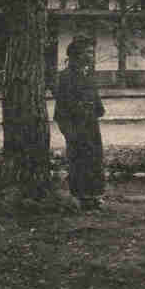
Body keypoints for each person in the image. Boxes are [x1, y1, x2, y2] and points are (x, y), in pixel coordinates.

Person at [53, 37, 106, 209]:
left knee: (95, 159)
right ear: (77, 55)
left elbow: (96, 102)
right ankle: (80, 197)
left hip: (91, 124)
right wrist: (69, 132)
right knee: (78, 160)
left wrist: (96, 108)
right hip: (75, 126)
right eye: (88, 52)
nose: (92, 56)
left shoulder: (88, 74)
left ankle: (95, 196)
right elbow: (61, 109)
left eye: (92, 52)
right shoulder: (66, 77)